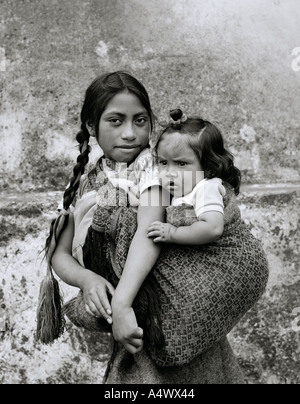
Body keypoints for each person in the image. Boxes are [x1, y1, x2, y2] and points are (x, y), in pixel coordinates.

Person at [36, 73, 269, 384]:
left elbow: (149, 235)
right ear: (92, 127)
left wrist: (120, 304)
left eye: (141, 120)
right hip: (136, 318)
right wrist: (88, 279)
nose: (131, 133)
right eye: (116, 121)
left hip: (161, 306)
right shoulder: (89, 178)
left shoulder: (156, 168)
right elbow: (59, 254)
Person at [147, 109, 232, 246]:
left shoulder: (207, 188)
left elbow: (213, 228)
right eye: (163, 163)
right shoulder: (182, 188)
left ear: (208, 166)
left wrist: (172, 233)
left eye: (181, 164)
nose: (170, 172)